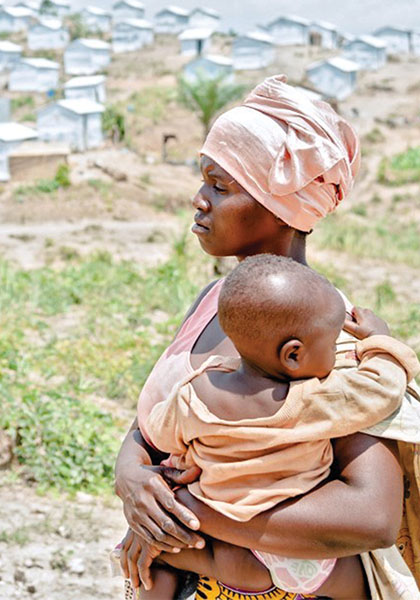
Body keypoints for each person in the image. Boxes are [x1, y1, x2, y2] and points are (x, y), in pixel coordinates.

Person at [115, 75, 420, 600]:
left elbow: (370, 516)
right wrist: (132, 478)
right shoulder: (216, 302)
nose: (199, 198)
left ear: (279, 207)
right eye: (203, 180)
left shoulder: (332, 339)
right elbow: (161, 421)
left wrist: (195, 513)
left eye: (220, 185)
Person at [131, 254, 418, 600]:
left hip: (216, 543)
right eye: (331, 346)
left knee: (154, 557)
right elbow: (380, 390)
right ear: (293, 355)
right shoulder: (311, 401)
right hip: (292, 555)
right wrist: (379, 342)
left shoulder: (196, 393)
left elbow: (157, 433)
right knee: (370, 584)